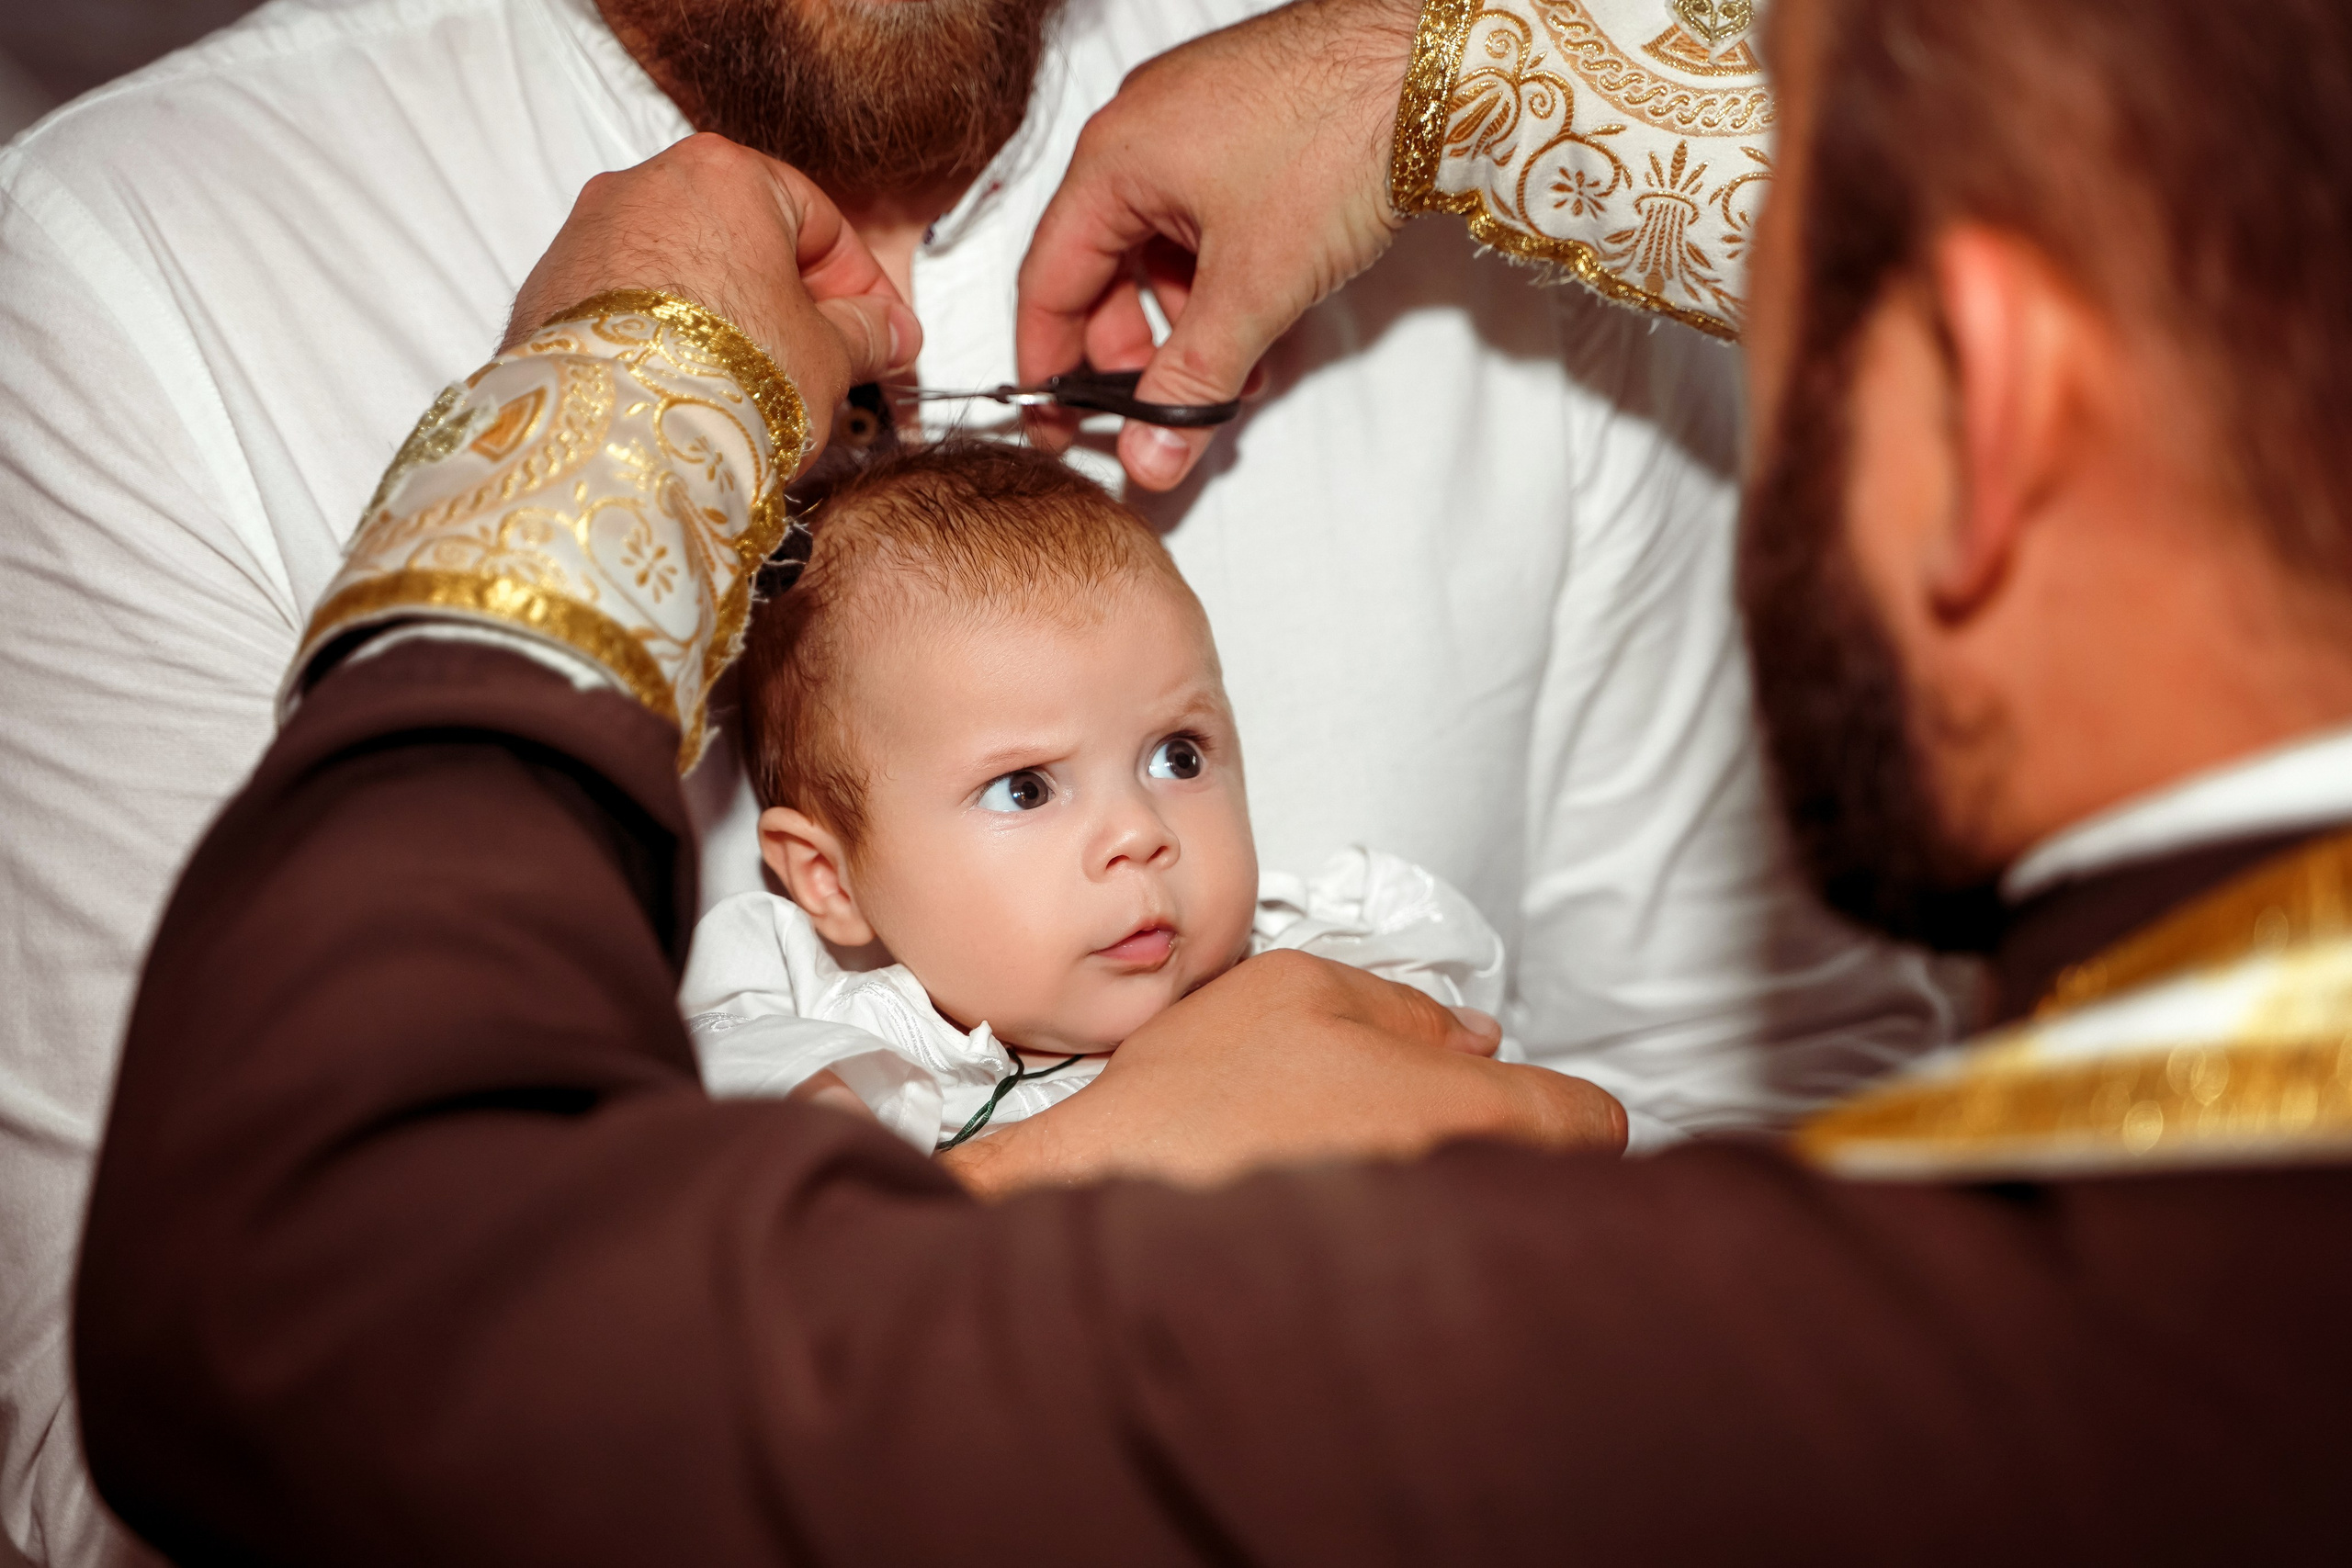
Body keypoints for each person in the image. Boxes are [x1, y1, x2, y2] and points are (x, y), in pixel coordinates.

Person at [73, 0, 2352, 1557]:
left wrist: (621, 409)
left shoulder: (1840, 1346)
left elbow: (322, 1312)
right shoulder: (2146, 1270)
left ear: (1993, 412)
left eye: (1800, 289)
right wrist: (1471, 85)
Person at [685, 438, 1526, 1151]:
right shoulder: (832, 1063)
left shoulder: (1327, 973)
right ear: (830, 879)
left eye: (1178, 757)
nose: (1139, 830)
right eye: (1025, 790)